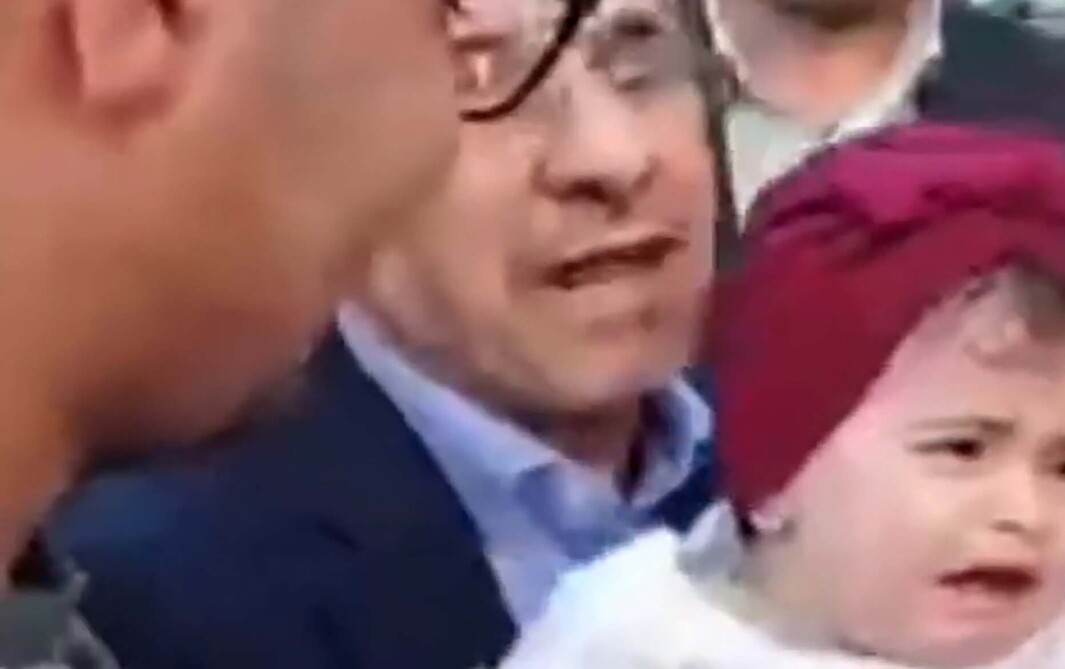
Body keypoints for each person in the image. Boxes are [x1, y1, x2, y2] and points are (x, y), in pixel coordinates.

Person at [53, 1, 717, 667]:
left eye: (638, 66)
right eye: (477, 78)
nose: (612, 157)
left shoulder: (768, 431)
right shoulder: (171, 591)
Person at [499, 123, 1065, 669]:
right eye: (963, 449)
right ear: (777, 481)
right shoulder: (631, 643)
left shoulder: (1055, 648)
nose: (1025, 512)